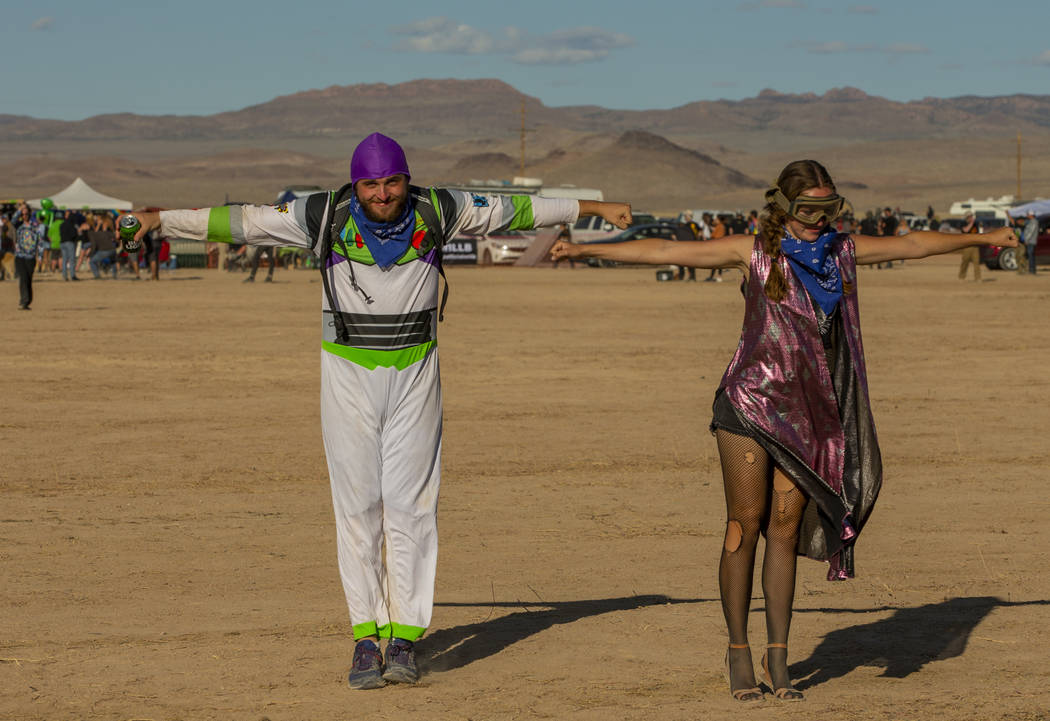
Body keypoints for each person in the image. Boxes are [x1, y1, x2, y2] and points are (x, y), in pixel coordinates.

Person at [121, 132, 632, 690]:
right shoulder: (322, 215)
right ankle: (366, 638)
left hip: (417, 375)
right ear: (356, 183)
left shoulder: (440, 210)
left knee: (412, 507)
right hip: (347, 380)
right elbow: (241, 221)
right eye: (372, 183)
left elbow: (518, 211)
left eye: (392, 181)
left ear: (407, 178)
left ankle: (405, 642)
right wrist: (158, 219)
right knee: (358, 506)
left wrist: (596, 208)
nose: (383, 193)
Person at [550, 159, 1017, 703]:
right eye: (809, 210)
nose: (820, 220)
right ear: (785, 207)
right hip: (748, 407)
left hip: (805, 419)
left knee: (786, 531)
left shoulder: (842, 252)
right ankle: (738, 652)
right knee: (744, 524)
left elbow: (912, 245)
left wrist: (984, 236)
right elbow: (661, 251)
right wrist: (581, 251)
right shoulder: (751, 250)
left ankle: (779, 655)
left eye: (830, 208)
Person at [12, 203, 44, 309]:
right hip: (20, 256)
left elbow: (40, 242)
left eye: (26, 214)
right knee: (23, 278)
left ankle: (28, 300)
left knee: (28, 279)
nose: (24, 216)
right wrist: (20, 209)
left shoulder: (35, 227)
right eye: (23, 214)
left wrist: (39, 256)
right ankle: (24, 301)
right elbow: (13, 221)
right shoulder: (19, 225)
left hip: (30, 257)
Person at [673, 212, 699, 280]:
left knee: (690, 262)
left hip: (690, 245)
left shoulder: (692, 224)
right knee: (682, 262)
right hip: (686, 245)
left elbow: (696, 234)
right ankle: (685, 276)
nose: (685, 218)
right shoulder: (686, 225)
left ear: (690, 217)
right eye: (685, 217)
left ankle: (692, 277)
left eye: (686, 216)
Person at [958, 212, 981, 281]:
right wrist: (971, 223)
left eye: (972, 216)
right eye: (970, 217)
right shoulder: (963, 223)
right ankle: (961, 277)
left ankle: (978, 278)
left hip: (975, 246)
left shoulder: (976, 224)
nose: (971, 218)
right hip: (967, 246)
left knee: (976, 262)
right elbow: (966, 230)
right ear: (967, 218)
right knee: (965, 262)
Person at [1021, 210, 1039, 275]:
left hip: (1031, 241)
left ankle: (1032, 271)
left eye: (1028, 214)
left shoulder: (1034, 221)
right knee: (1030, 256)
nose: (1027, 215)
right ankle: (1031, 270)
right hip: (1030, 241)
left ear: (1031, 215)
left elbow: (1031, 232)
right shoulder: (1030, 221)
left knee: (1031, 256)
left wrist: (1027, 240)